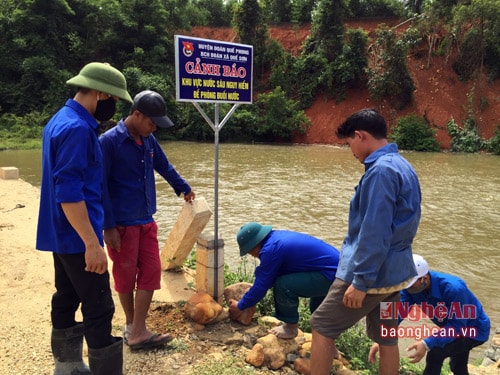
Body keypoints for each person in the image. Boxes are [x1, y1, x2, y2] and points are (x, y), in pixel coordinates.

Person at [304, 108, 422, 375]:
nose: (352, 152)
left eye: (349, 144)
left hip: (371, 273)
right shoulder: (403, 165)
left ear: (360, 136)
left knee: (322, 324)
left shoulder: (380, 172)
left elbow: (374, 231)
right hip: (397, 273)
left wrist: (360, 281)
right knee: (387, 335)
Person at [36, 62, 133, 374]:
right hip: (78, 237)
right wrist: (92, 243)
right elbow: (68, 192)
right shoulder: (78, 130)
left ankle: (67, 367)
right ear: (100, 93)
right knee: (100, 305)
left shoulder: (59, 120)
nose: (113, 106)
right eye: (114, 100)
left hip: (61, 234)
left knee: (66, 296)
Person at [99, 90, 196, 351]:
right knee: (125, 275)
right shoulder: (108, 142)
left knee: (152, 272)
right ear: (136, 114)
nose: (154, 128)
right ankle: (133, 327)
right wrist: (107, 226)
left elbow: (164, 166)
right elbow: (101, 187)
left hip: (145, 219)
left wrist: (183, 187)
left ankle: (137, 329)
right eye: (151, 123)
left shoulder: (148, 139)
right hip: (120, 223)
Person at [369, 254, 491, 375]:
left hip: (472, 330)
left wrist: (426, 343)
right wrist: (382, 338)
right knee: (457, 366)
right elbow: (398, 312)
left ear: (424, 278)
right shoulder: (411, 288)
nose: (407, 288)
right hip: (452, 327)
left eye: (410, 284)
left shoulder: (454, 289)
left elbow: (457, 326)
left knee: (435, 352)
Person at [228, 222, 340, 339]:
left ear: (255, 245)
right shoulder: (275, 239)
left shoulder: (270, 249)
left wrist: (241, 305)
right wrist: (253, 293)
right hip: (338, 273)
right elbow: (270, 276)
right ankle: (326, 343)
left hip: (330, 275)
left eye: (249, 252)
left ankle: (290, 327)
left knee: (283, 285)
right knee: (318, 313)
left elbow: (262, 285)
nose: (252, 256)